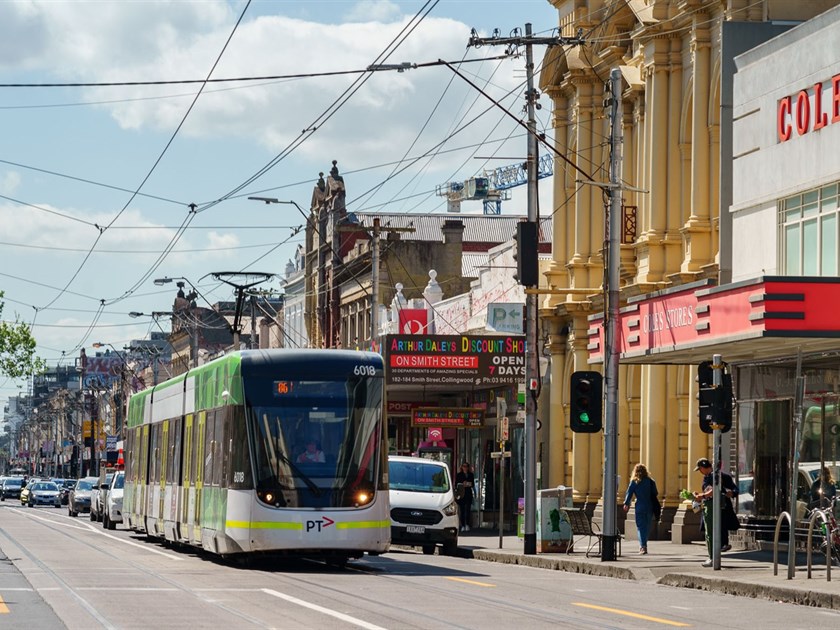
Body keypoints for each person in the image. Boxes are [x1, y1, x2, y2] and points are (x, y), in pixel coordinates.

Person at [693, 457, 739, 567]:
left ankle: (716, 555)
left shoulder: (719, 476)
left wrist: (731, 493)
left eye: (700, 469)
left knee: (716, 531)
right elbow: (707, 491)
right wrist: (698, 495)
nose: (699, 472)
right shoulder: (706, 477)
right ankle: (713, 556)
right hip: (708, 506)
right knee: (709, 533)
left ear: (704, 467)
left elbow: (731, 490)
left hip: (720, 508)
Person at [622, 463, 659, 554]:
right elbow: (655, 493)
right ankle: (644, 544)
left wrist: (626, 504)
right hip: (649, 506)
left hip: (639, 507)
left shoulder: (634, 482)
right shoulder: (650, 481)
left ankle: (643, 546)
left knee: (640, 527)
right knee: (646, 527)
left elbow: (629, 493)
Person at [455, 462, 475, 532]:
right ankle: (463, 525)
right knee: (462, 510)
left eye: (466, 466)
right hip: (461, 494)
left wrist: (468, 484)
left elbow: (472, 484)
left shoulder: (470, 475)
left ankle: (467, 524)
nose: (465, 468)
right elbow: (457, 484)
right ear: (462, 467)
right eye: (463, 466)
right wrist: (462, 484)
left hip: (468, 494)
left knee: (468, 510)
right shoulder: (459, 475)